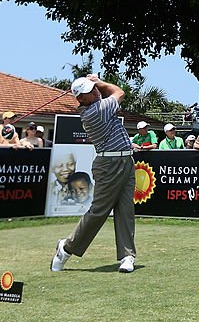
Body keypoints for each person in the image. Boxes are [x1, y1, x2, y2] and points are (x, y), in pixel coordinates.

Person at [51, 75, 137, 274]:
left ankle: (127, 256)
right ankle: (66, 248)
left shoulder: (98, 105)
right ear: (81, 99)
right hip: (109, 164)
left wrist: (95, 85)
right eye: (91, 90)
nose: (95, 91)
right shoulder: (95, 111)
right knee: (99, 211)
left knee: (126, 210)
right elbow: (119, 92)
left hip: (125, 160)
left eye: (94, 88)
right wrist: (98, 81)